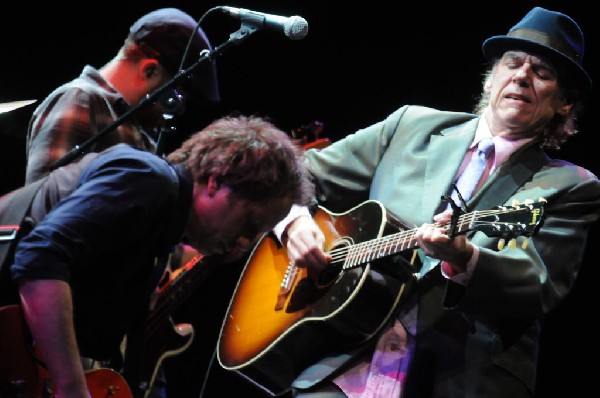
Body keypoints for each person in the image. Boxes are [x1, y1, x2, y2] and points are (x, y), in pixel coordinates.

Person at [268, 6, 600, 398]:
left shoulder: (568, 185)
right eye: (512, 63)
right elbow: (292, 174)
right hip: (345, 360)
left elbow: (537, 282)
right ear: (491, 79)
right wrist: (293, 221)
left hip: (457, 374)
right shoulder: (411, 126)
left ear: (563, 103)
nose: (522, 76)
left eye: (542, 72)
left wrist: (466, 258)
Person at [0, 114, 314, 398]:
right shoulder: (150, 180)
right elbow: (40, 257)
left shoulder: (161, 225)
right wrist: (71, 387)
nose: (245, 241)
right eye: (250, 222)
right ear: (217, 180)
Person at [24, 7, 220, 185]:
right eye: (178, 97)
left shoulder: (142, 134)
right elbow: (41, 202)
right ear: (149, 70)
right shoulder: (80, 99)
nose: (180, 108)